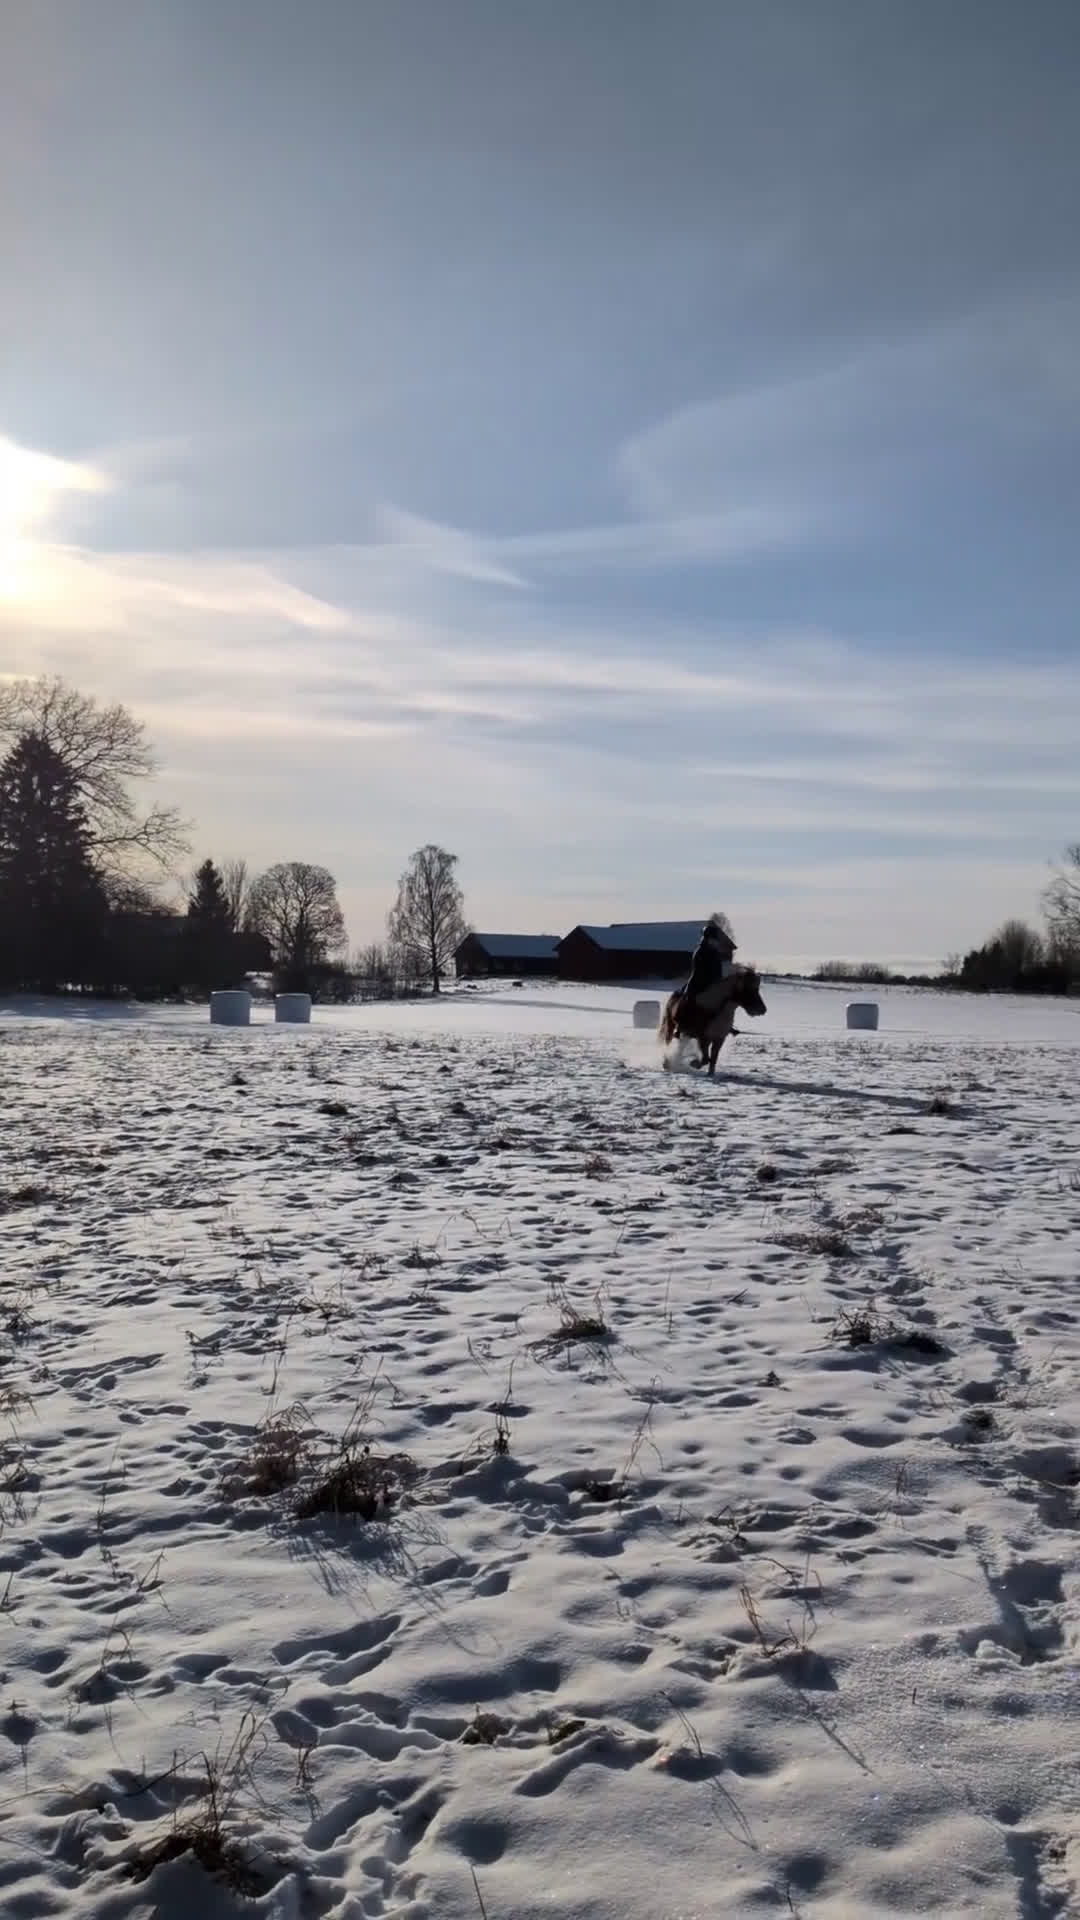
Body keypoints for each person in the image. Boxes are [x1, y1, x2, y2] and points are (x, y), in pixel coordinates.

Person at [682, 921, 729, 1015]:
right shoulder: (700, 952)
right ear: (707, 939)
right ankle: (682, 1023)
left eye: (716, 940)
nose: (715, 942)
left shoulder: (715, 952)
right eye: (713, 940)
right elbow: (700, 971)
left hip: (714, 984)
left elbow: (718, 970)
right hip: (699, 983)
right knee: (690, 1002)